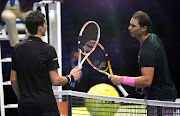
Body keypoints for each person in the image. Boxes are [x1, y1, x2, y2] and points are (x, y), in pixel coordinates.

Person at [10, 11, 82, 116]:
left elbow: (13, 79)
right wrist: (71, 77)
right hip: (45, 107)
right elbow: (56, 80)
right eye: (45, 23)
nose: (47, 26)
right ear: (40, 27)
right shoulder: (48, 49)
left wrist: (22, 97)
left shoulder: (17, 48)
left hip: (24, 106)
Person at [110, 11, 177, 115]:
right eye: (130, 24)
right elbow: (155, 71)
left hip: (160, 99)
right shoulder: (153, 37)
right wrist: (145, 87)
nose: (129, 28)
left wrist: (121, 79)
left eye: (133, 26)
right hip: (163, 96)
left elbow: (146, 80)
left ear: (144, 28)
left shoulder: (148, 49)